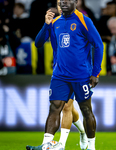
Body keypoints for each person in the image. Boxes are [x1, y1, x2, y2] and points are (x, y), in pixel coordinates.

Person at [26, 0, 103, 150]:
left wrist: (95, 72)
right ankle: (45, 145)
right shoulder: (55, 22)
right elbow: (38, 43)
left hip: (81, 75)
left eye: (68, 0)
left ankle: (92, 147)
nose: (64, 3)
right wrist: (46, 25)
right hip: (60, 74)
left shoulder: (84, 21)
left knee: (86, 110)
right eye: (61, 1)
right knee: (55, 108)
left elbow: (98, 45)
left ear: (76, 2)